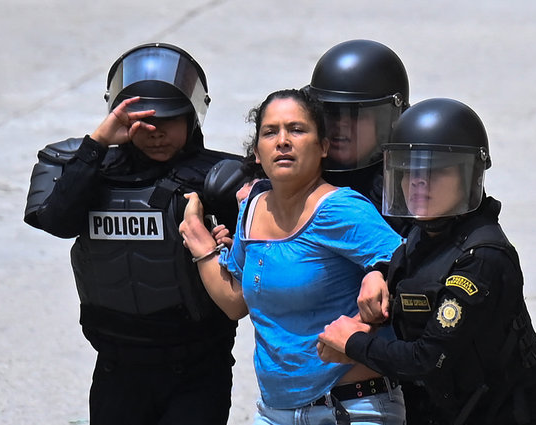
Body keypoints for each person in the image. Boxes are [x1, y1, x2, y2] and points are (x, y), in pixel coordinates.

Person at [318, 98, 536, 424]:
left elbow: (428, 359)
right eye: (408, 169)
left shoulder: (481, 259)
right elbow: (411, 276)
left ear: (468, 178)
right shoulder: (425, 234)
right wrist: (378, 273)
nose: (418, 181)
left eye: (435, 170)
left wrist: (353, 343)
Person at [23, 42, 245, 425]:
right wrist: (96, 145)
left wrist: (224, 244)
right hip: (117, 366)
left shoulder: (223, 178)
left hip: (197, 367)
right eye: (144, 121)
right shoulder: (87, 167)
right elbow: (57, 221)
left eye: (169, 120)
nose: (156, 132)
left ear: (192, 118)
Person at [179, 89, 406, 425]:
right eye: (271, 132)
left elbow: (407, 264)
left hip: (350, 408)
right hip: (274, 413)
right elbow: (234, 301)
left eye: (297, 130)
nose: (282, 141)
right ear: (257, 151)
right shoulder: (252, 208)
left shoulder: (340, 208)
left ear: (324, 147)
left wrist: (377, 274)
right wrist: (202, 247)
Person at [304, 39, 411, 235]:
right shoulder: (298, 171)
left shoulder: (411, 187)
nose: (340, 124)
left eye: (354, 114)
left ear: (386, 121)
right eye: (331, 112)